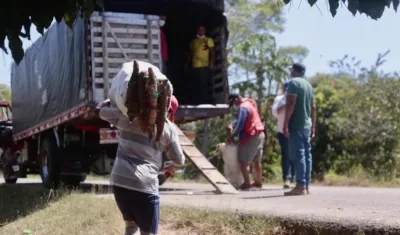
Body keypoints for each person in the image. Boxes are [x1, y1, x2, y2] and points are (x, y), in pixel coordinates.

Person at [96, 76, 185, 234]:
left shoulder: (128, 116)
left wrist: (111, 101)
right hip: (145, 186)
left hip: (119, 183)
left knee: (131, 226)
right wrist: (171, 166)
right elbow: (180, 160)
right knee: (148, 232)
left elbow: (100, 111)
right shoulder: (169, 129)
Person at [282, 63, 316, 196]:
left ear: (295, 71)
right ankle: (306, 185)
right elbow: (313, 107)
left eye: (291, 69)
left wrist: (285, 124)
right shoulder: (308, 85)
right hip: (306, 125)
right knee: (307, 155)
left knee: (299, 154)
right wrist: (313, 126)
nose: (290, 71)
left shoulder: (293, 83)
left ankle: (300, 185)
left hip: (296, 124)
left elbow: (291, 104)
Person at [228, 94, 265, 190]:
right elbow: (245, 119)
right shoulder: (250, 103)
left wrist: (232, 136)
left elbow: (240, 124)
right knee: (257, 161)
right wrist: (232, 124)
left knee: (243, 162)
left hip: (251, 136)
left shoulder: (243, 107)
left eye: (234, 103)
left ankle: (247, 184)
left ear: (236, 99)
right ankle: (258, 182)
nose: (235, 105)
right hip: (260, 134)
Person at [272, 81, 295, 189]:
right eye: (287, 89)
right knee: (286, 155)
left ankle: (294, 178)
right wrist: (286, 104)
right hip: (282, 130)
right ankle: (286, 178)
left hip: (294, 130)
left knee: (294, 155)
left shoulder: (296, 98)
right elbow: (275, 113)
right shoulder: (279, 99)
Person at [187, 25, 215, 104]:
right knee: (195, 84)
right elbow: (191, 53)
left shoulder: (208, 39)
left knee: (204, 84)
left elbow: (212, 51)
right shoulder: (193, 41)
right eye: (199, 29)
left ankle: (204, 101)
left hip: (204, 65)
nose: (201, 31)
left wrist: (212, 62)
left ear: (205, 31)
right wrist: (187, 64)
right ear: (197, 31)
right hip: (194, 65)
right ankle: (196, 101)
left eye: (202, 29)